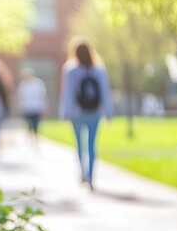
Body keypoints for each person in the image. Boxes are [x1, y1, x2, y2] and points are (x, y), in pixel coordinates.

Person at [59, 37, 113, 191]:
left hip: (76, 113)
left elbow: (67, 93)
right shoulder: (98, 70)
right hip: (94, 113)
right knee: (91, 144)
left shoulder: (70, 69)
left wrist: (65, 113)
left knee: (79, 145)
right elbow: (105, 92)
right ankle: (90, 175)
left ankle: (82, 172)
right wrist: (108, 113)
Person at [17, 67, 47, 145]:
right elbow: (20, 97)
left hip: (36, 107)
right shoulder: (22, 85)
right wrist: (20, 107)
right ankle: (30, 136)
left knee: (36, 123)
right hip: (27, 108)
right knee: (29, 124)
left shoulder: (38, 83)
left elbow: (42, 95)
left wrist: (44, 106)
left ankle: (35, 137)